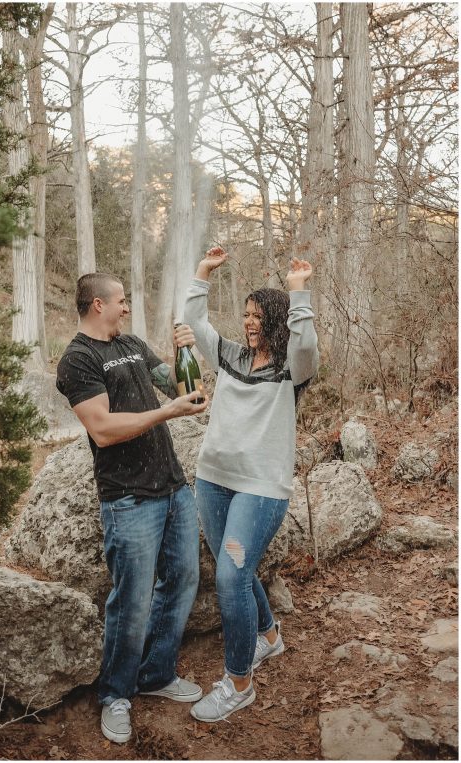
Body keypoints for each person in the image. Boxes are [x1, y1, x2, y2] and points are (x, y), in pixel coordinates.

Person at [55, 272, 210, 745]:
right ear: (98, 304)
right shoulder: (78, 360)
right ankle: (116, 694)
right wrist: (168, 413)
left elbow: (191, 394)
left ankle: (157, 675)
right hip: (127, 498)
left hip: (172, 486)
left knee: (183, 579)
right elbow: (102, 429)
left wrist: (188, 352)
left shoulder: (133, 343)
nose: (127, 308)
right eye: (122, 301)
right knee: (130, 601)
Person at [182, 248, 319, 723]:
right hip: (213, 480)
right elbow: (195, 322)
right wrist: (202, 274)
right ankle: (268, 636)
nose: (249, 323)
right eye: (245, 315)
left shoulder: (292, 369)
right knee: (233, 571)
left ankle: (238, 683)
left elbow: (305, 344)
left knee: (229, 576)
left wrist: (299, 289)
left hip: (261, 487)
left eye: (258, 316)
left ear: (276, 320)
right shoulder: (231, 354)